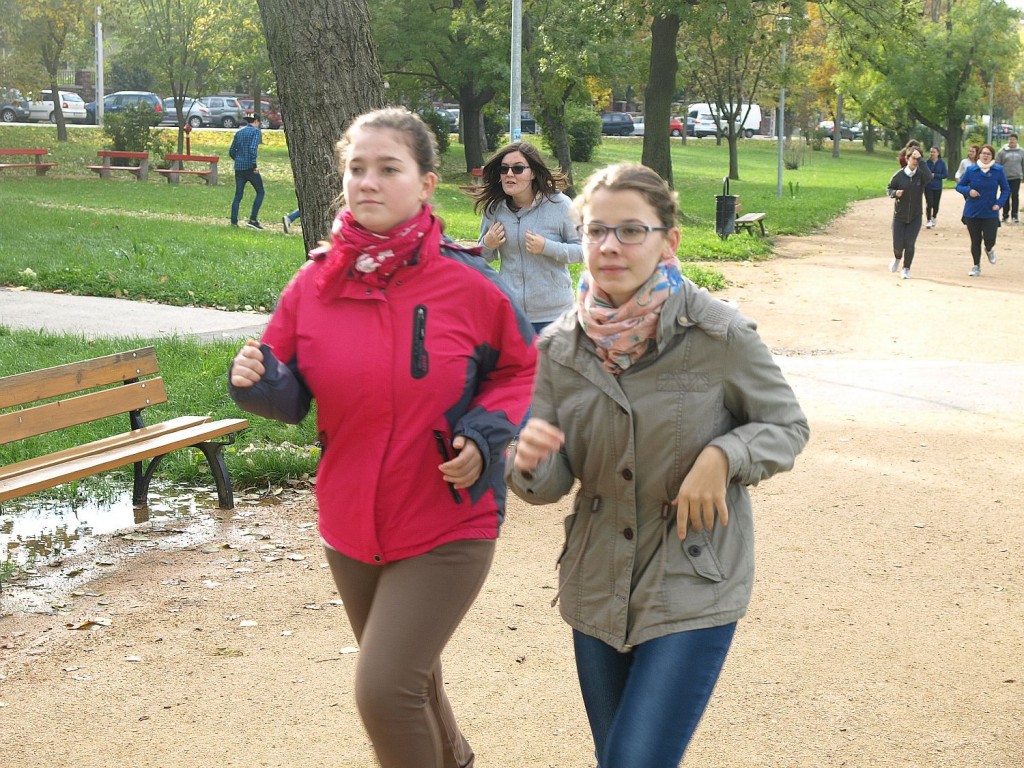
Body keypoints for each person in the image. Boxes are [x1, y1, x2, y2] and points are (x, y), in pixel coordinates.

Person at [228, 108, 537, 768]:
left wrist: (483, 436)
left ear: (425, 184)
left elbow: (520, 370)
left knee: (385, 690)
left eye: (388, 168)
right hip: (350, 521)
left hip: (447, 517)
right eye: (357, 168)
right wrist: (256, 382)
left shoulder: (470, 284)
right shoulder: (313, 285)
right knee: (413, 680)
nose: (367, 181)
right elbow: (288, 390)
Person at [505, 163, 809, 767]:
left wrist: (724, 455)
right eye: (596, 231)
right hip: (597, 581)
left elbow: (787, 427)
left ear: (669, 240)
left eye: (630, 230)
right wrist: (530, 460)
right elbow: (550, 484)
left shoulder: (718, 335)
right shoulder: (559, 348)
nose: (609, 246)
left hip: (692, 576)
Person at [474, 141, 583, 334]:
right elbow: (481, 258)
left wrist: (547, 247)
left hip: (555, 316)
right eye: (504, 169)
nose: (509, 174)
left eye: (517, 169)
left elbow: (583, 251)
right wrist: (487, 244)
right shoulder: (494, 209)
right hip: (511, 313)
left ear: (532, 173)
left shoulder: (560, 205)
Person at [956, 144, 1010, 277]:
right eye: (983, 153)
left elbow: (1006, 189)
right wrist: (969, 191)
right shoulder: (971, 170)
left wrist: (999, 204)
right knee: (975, 240)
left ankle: (989, 249)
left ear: (992, 156)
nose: (985, 156)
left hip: (990, 211)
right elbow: (959, 186)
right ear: (978, 155)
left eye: (988, 154)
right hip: (972, 211)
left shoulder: (998, 170)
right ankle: (976, 266)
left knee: (990, 239)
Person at [887, 145, 932, 279]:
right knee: (898, 245)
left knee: (909, 243)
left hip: (915, 216)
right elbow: (889, 189)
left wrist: (921, 160)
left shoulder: (921, 176)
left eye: (918, 159)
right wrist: (895, 193)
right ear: (907, 159)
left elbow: (929, 177)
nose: (915, 161)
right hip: (899, 216)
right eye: (913, 158)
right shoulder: (899, 175)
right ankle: (897, 258)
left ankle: (906, 268)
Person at [229, 113, 265, 230]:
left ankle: (234, 221)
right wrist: (254, 165)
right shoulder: (256, 132)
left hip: (239, 168)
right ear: (256, 121)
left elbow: (231, 151)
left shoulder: (239, 133)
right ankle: (253, 220)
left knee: (238, 195)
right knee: (260, 191)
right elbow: (252, 148)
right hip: (250, 167)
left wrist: (238, 160)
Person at [995, 133, 1024, 223]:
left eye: (1013, 139)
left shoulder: (1021, 151)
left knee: (1015, 195)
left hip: (1016, 177)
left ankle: (1015, 216)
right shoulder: (1002, 151)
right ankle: (1005, 215)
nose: (1011, 141)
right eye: (1010, 139)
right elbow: (997, 163)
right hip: (1005, 177)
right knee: (1005, 196)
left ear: (1016, 141)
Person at [924, 146, 947, 229]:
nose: (932, 153)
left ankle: (934, 217)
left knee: (936, 204)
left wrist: (936, 175)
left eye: (934, 152)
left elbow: (945, 175)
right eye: (931, 152)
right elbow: (923, 172)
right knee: (929, 203)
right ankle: (929, 220)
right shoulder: (927, 162)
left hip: (937, 186)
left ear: (938, 153)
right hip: (928, 186)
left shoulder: (942, 163)